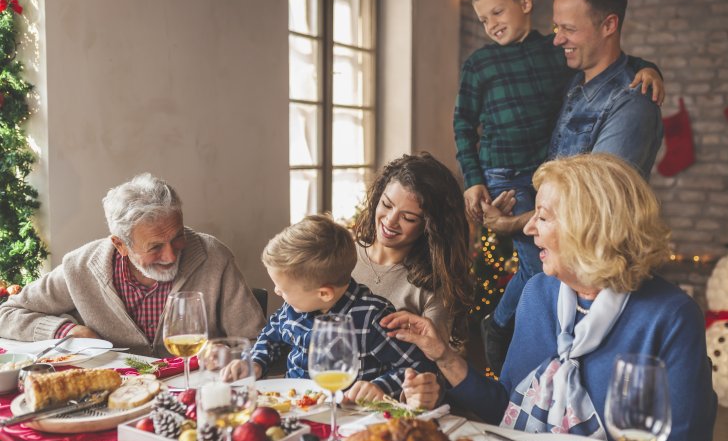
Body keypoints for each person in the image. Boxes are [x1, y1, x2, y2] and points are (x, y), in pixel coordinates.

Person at [383, 154, 717, 441]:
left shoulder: (671, 316)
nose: (528, 229)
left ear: (587, 228)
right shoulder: (540, 293)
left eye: (541, 217)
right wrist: (443, 354)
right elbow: (507, 410)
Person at [476, 0, 666, 372]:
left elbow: (591, 208)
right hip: (556, 272)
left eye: (569, 29)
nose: (558, 39)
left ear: (609, 24)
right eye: (555, 27)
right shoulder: (572, 80)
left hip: (591, 279)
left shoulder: (632, 102)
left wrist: (511, 226)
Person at [0, 173, 265, 356]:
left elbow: (259, 341)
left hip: (195, 390)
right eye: (155, 247)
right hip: (115, 396)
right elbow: (7, 314)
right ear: (120, 245)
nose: (172, 256)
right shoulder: (80, 267)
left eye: (178, 237)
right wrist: (65, 330)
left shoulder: (214, 257)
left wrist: (229, 354)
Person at [226, 214, 436, 402]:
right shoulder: (293, 308)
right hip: (296, 407)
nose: (277, 292)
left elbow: (416, 368)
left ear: (324, 293)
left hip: (352, 415)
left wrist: (380, 386)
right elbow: (270, 337)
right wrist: (255, 362)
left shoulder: (372, 318)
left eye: (284, 289)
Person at [351, 152, 474, 348]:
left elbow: (434, 362)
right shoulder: (341, 254)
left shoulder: (433, 286)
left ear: (431, 227)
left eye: (408, 218)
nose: (390, 221)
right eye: (386, 204)